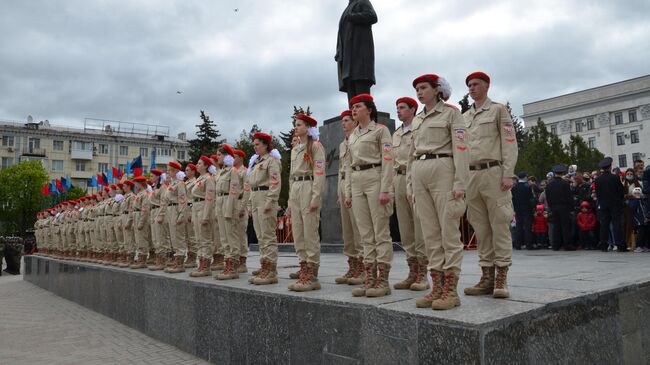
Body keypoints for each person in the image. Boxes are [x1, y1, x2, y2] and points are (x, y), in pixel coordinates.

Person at [405, 74, 469, 310]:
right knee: (430, 235)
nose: (419, 93)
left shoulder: (452, 114)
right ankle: (437, 287)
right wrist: (410, 184)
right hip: (420, 170)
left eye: (423, 88)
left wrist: (460, 182)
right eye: (417, 89)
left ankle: (451, 291)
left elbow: (462, 150)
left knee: (448, 233)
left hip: (444, 168)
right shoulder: (419, 119)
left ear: (437, 89)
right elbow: (412, 153)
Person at [463, 72, 517, 299]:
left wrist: (508, 173)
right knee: (481, 229)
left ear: (486, 86)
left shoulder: (498, 110)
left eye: (475, 84)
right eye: (469, 85)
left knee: (499, 225)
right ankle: (486, 276)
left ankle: (501, 278)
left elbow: (509, 143)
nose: (471, 88)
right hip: (471, 176)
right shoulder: (464, 117)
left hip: (494, 173)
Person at [345, 93, 394, 298]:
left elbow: (388, 160)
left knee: (380, 231)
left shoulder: (381, 131)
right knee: (365, 233)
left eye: (358, 107)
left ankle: (382, 280)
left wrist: (385, 189)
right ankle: (370, 278)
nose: (354, 110)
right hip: (357, 180)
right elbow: (348, 165)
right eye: (353, 107)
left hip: (375, 177)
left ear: (369, 110)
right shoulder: (353, 135)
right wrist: (347, 191)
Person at [392, 97, 429, 292]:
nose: (398, 111)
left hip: (415, 175)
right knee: (405, 227)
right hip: (398, 178)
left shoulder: (419, 126)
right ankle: (412, 271)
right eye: (397, 108)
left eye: (402, 108)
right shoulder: (396, 134)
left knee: (419, 226)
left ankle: (423, 272)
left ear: (413, 109)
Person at [287, 113, 326, 292]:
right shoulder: (295, 149)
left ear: (308, 127)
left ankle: (312, 274)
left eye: (300, 125)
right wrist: (289, 200)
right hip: (296, 188)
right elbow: (290, 176)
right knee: (298, 231)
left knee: (310, 231)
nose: (297, 127)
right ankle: (303, 267)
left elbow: (319, 172)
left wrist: (316, 196)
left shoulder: (316, 146)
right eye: (296, 124)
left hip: (309, 186)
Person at [247, 132, 282, 285]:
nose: (255, 147)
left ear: (266, 145)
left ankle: (271, 271)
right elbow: (251, 185)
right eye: (254, 145)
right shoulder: (256, 163)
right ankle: (265, 267)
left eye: (257, 144)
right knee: (260, 236)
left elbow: (275, 182)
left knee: (267, 235)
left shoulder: (272, 161)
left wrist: (270, 201)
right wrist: (249, 203)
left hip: (265, 197)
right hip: (255, 198)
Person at [335, 110, 364, 285]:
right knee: (347, 231)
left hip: (356, 183)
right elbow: (341, 169)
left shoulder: (358, 139)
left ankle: (362, 267)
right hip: (344, 185)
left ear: (354, 122)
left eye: (347, 120)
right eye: (342, 121)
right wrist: (341, 192)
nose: (343, 123)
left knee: (358, 228)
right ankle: (352, 266)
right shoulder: (342, 144)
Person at [335, 0, 377, 101]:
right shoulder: (347, 9)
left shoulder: (362, 1)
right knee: (352, 96)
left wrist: (353, 16)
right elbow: (341, 34)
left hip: (360, 56)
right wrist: (339, 50)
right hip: (347, 59)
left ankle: (366, 114)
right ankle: (353, 115)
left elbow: (372, 16)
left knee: (362, 94)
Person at [213, 144, 244, 280]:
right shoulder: (220, 172)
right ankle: (227, 262)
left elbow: (234, 191)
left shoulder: (233, 171)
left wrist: (229, 209)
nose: (217, 157)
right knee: (224, 237)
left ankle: (233, 265)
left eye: (219, 154)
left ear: (226, 156)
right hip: (220, 201)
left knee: (231, 235)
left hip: (228, 203)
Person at [189, 156, 217, 277]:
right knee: (198, 237)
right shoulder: (200, 179)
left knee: (205, 238)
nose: (197, 165)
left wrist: (206, 216)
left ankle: (206, 265)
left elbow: (209, 198)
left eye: (200, 163)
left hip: (203, 208)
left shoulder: (209, 179)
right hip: (196, 207)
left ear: (206, 166)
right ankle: (201, 262)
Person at [595, 157, 627, 252]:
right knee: (616, 224)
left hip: (603, 205)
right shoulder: (615, 177)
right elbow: (622, 191)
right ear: (610, 166)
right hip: (615, 204)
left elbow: (598, 193)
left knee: (604, 225)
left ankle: (604, 245)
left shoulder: (598, 179)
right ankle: (620, 245)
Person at [165, 161, 190, 273]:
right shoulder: (171, 184)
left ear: (175, 170)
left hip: (176, 209)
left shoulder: (180, 184)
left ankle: (180, 262)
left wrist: (181, 214)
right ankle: (177, 259)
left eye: (169, 170)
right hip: (170, 209)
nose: (167, 172)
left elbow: (183, 200)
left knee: (178, 236)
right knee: (173, 236)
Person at [546, 164, 575, 250]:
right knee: (565, 226)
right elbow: (569, 197)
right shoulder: (565, 184)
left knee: (556, 226)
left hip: (554, 207)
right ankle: (567, 245)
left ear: (554, 173)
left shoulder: (549, 184)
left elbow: (548, 197)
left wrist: (551, 206)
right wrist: (571, 208)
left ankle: (556, 245)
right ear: (562, 173)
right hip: (564, 207)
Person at [233, 149, 250, 273]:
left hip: (240, 202)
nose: (232, 159)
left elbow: (246, 190)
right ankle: (234, 260)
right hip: (231, 203)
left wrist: (243, 207)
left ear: (240, 158)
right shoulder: (232, 172)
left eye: (234, 156)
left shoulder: (244, 172)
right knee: (233, 233)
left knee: (240, 234)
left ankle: (242, 261)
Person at [131, 176, 152, 269]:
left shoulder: (145, 194)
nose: (135, 185)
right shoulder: (139, 194)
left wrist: (141, 222)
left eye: (136, 183)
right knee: (138, 238)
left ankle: (142, 259)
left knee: (142, 238)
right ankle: (140, 256)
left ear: (140, 183)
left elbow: (145, 209)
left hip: (141, 215)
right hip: (136, 215)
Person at [511, 171, 535, 250]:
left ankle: (518, 245)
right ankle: (528, 244)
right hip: (527, 209)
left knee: (519, 227)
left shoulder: (514, 187)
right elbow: (531, 199)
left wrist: (514, 208)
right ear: (525, 177)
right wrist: (532, 206)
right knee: (528, 227)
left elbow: (513, 199)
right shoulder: (528, 186)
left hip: (518, 209)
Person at [183, 164, 198, 268]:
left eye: (188, 170)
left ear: (193, 171)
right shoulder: (186, 182)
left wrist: (191, 212)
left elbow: (193, 198)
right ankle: (189, 255)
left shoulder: (194, 182)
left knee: (191, 235)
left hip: (190, 207)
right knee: (186, 234)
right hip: (185, 207)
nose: (186, 172)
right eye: (185, 170)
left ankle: (192, 257)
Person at [628, 187, 649, 253]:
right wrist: (637, 200)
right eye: (635, 193)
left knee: (647, 233)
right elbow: (632, 207)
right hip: (638, 220)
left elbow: (646, 208)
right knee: (641, 233)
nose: (637, 194)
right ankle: (638, 246)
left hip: (646, 219)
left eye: (638, 193)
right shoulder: (632, 201)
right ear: (633, 194)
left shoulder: (644, 200)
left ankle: (645, 246)